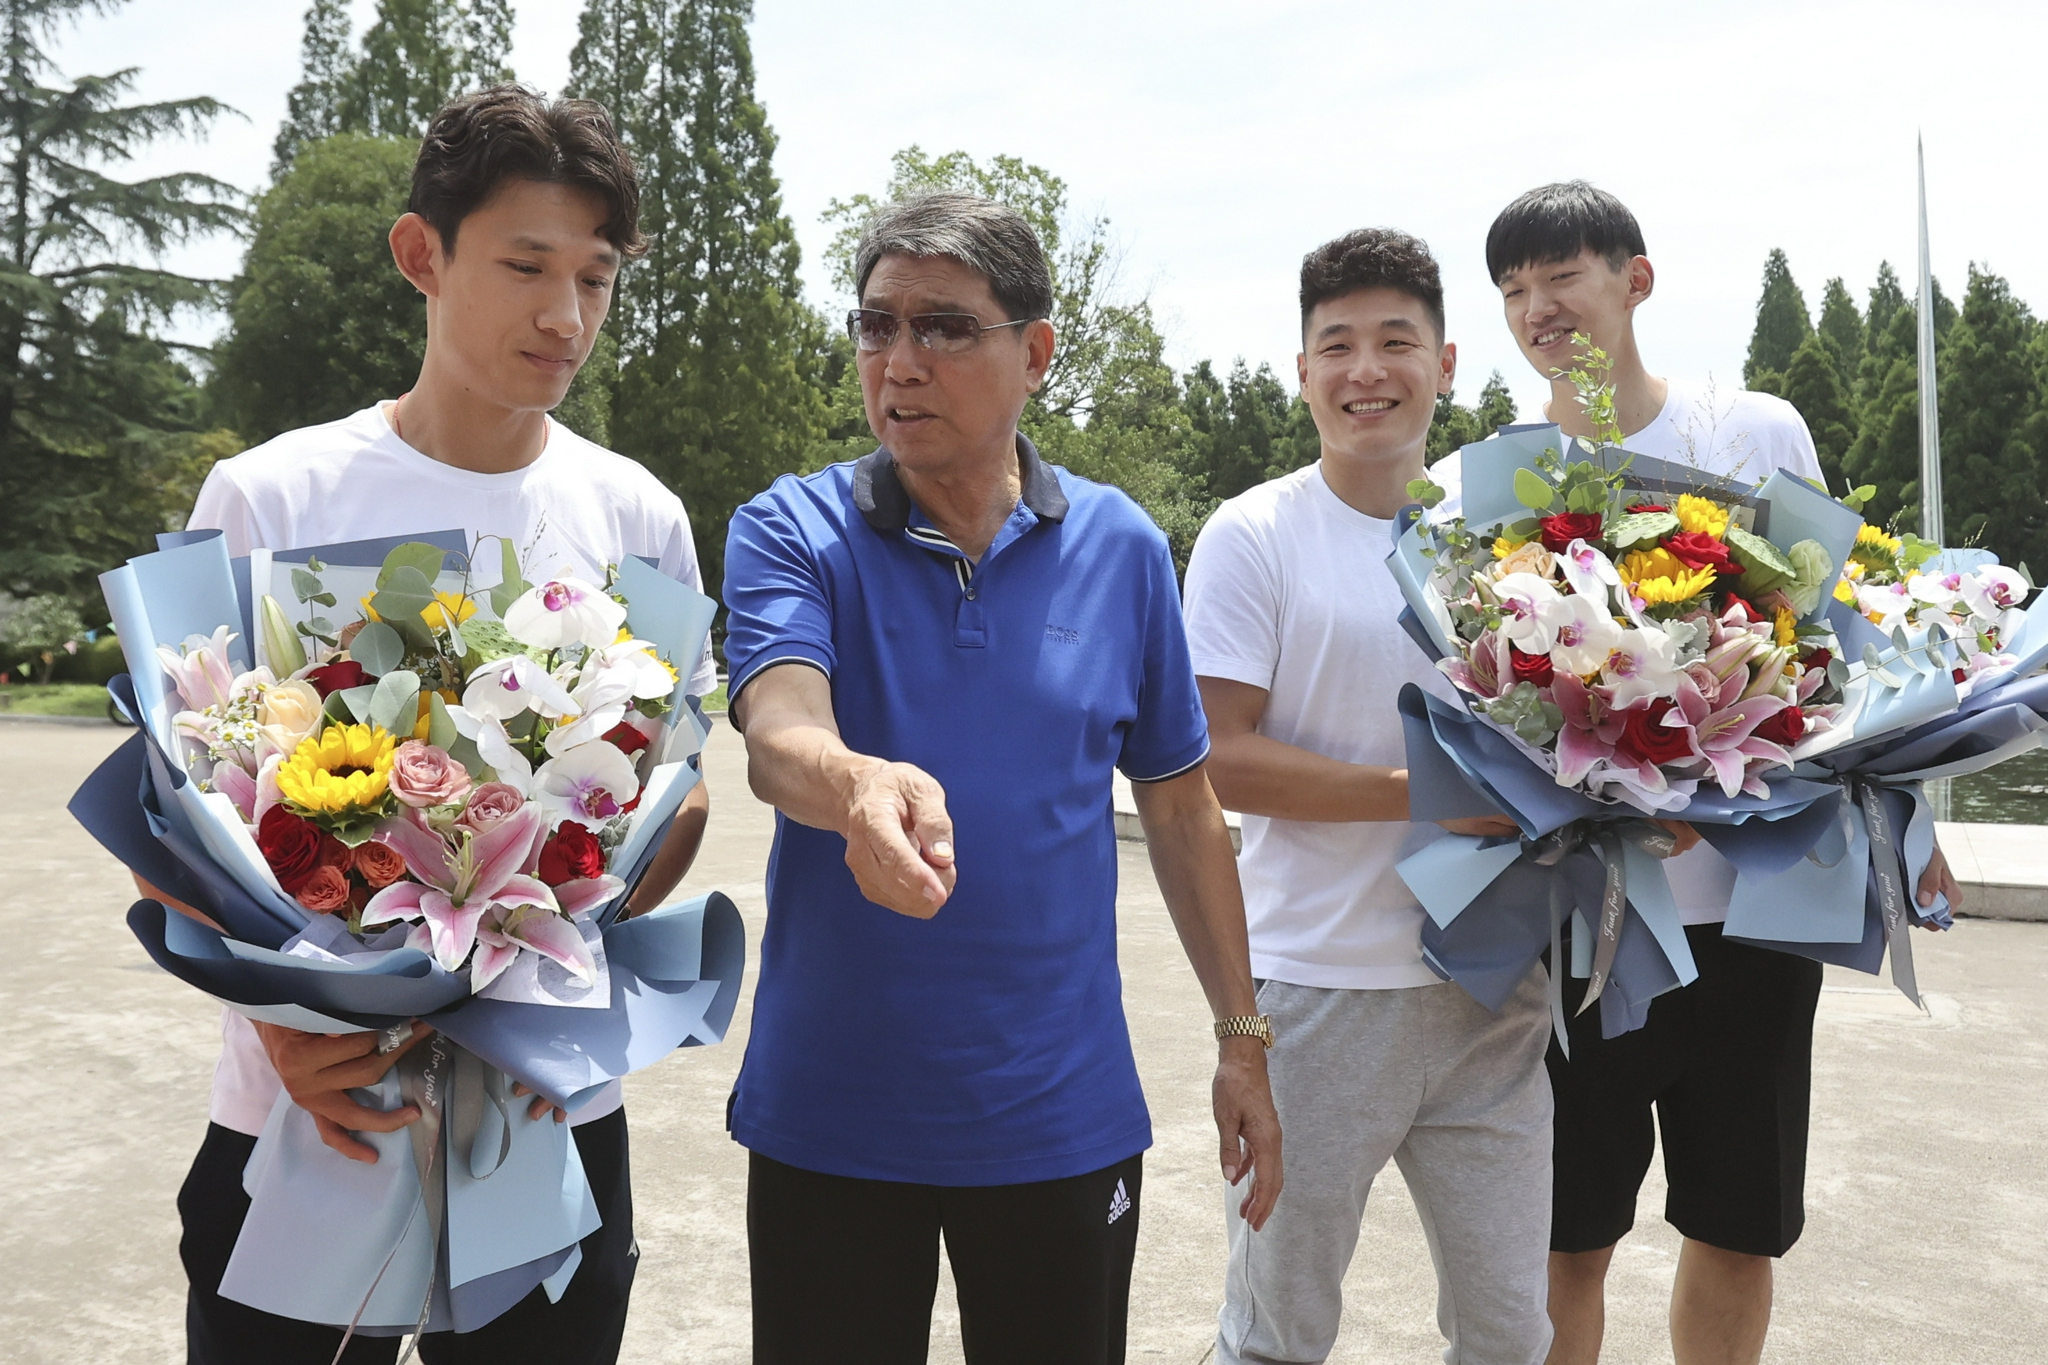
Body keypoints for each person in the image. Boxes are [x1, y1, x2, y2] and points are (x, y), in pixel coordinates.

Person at [164, 85, 718, 1364]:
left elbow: (674, 797)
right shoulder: (267, 496)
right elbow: (170, 797)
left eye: (597, 276)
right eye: (526, 265)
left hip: (545, 1114)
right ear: (423, 254)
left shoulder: (636, 515)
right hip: (309, 1113)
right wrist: (284, 1028)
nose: (564, 315)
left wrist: (555, 968)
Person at [721, 190, 1283, 1365]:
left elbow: (1181, 811)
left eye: (942, 327)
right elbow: (779, 732)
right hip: (833, 1116)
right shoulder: (792, 528)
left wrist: (1241, 1038)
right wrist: (858, 784)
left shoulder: (1122, 547)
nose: (899, 362)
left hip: (1057, 1119)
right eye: (876, 326)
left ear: (1034, 351)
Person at [1438, 180, 1963, 1365]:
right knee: (1566, 1237)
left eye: (1561, 276)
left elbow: (1840, 653)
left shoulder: (1751, 433)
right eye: (1513, 290)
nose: (1538, 308)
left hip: (1753, 916)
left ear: (1634, 279)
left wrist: (1907, 830)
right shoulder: (1488, 481)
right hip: (1581, 924)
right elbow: (1478, 700)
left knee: (1736, 1226)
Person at [1184, 228, 1588, 1365]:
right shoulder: (1252, 534)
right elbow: (1218, 756)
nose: (1367, 370)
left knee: (1511, 1334)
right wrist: (1423, 796)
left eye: (1395, 341)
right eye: (1337, 345)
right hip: (1314, 997)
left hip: (1491, 994)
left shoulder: (1505, 539)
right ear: (1301, 370)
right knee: (1276, 1333)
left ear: (1447, 364)